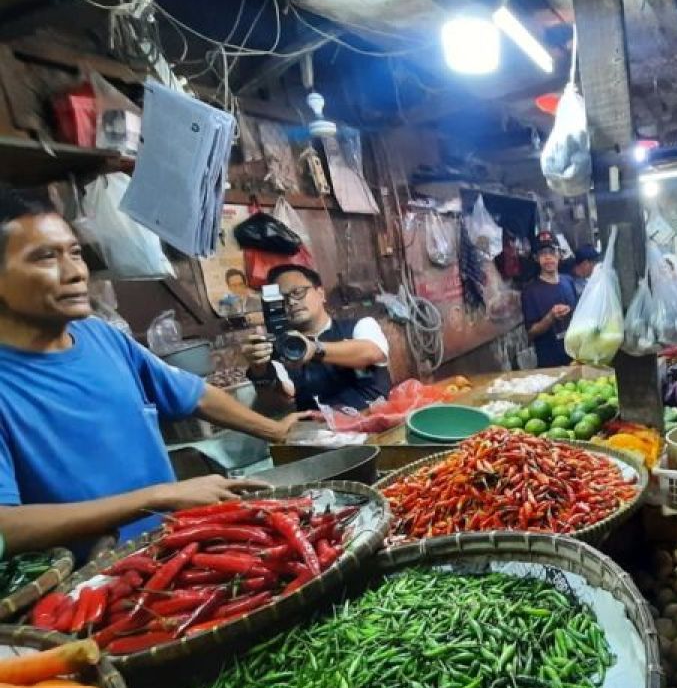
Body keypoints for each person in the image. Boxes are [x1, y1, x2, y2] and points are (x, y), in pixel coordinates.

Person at [0, 191, 303, 555]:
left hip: (178, 551)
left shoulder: (102, 337)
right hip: (99, 586)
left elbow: (196, 394)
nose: (75, 272)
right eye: (45, 257)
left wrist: (276, 432)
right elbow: (7, 528)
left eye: (75, 253)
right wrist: (159, 496)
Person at [243, 265, 391, 413]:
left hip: (376, 428)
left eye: (297, 292)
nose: (291, 302)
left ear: (321, 294)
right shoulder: (283, 350)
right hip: (321, 433)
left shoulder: (361, 325)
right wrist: (260, 373)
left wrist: (314, 349)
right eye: (282, 298)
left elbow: (371, 353)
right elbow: (279, 406)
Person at [521, 231, 577, 367]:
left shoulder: (568, 282)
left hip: (576, 356)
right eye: (542, 254)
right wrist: (550, 317)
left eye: (552, 252)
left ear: (559, 255)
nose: (548, 258)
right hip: (550, 362)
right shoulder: (530, 291)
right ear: (536, 258)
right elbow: (531, 333)